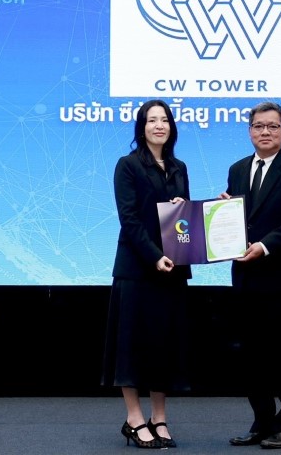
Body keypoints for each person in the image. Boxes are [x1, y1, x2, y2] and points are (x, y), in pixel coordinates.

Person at [221, 101, 281, 450]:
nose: (265, 132)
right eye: (258, 126)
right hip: (245, 277)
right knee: (251, 355)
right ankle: (262, 421)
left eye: (273, 126)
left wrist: (264, 245)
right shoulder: (237, 169)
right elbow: (238, 218)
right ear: (249, 131)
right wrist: (223, 214)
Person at [102, 99, 192, 449]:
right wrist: (154, 256)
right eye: (151, 120)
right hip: (137, 268)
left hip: (171, 270)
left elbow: (182, 221)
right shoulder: (128, 165)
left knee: (162, 346)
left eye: (164, 119)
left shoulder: (179, 167)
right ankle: (134, 418)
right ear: (141, 127)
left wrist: (188, 210)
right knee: (131, 345)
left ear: (172, 126)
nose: (159, 125)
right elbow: (129, 219)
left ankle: (159, 417)